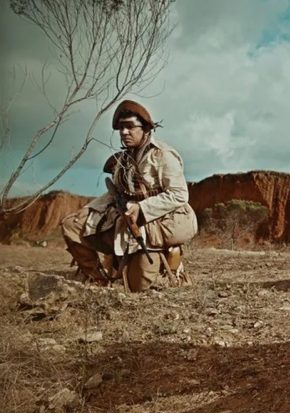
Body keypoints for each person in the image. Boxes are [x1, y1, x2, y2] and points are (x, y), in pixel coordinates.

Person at [61, 100, 197, 292]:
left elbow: (179, 194)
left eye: (130, 127)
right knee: (71, 225)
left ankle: (172, 264)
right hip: (125, 221)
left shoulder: (163, 155)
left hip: (158, 223)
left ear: (145, 128)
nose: (124, 132)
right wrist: (89, 210)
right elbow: (115, 192)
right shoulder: (122, 160)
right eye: (121, 128)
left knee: (137, 286)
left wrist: (142, 208)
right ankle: (97, 280)